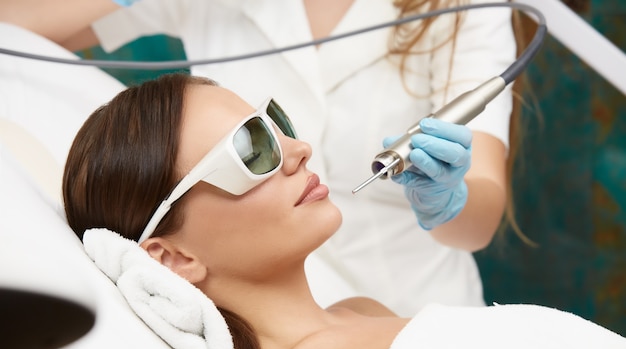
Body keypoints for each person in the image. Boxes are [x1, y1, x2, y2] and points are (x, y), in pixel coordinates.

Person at [62, 73, 626, 349]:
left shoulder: (362, 312)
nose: (299, 148)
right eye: (252, 149)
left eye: (276, 123)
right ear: (174, 257)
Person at [1, 0, 518, 315]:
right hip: (258, 312)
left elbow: (478, 221)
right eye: (257, 140)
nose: (301, 151)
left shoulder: (464, 8)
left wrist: (450, 199)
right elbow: (14, 28)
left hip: (417, 299)